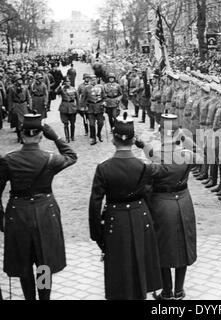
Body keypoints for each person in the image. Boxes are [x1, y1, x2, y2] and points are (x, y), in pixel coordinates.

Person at [0, 114, 77, 300]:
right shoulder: (50, 159)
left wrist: (1, 218)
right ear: (41, 136)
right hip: (45, 212)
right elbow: (72, 156)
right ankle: (44, 298)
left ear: (21, 134)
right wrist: (56, 137)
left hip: (17, 213)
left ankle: (29, 298)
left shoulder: (8, 160)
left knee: (23, 262)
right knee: (44, 262)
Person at [89, 113, 162, 300]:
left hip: (115, 220)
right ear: (132, 140)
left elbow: (95, 203)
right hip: (140, 217)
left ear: (113, 140)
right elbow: (160, 163)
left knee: (117, 268)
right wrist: (144, 145)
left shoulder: (104, 168)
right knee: (140, 264)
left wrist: (97, 235)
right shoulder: (144, 167)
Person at [136, 113, 201, 300]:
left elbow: (154, 160)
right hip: (184, 201)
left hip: (162, 204)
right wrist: (185, 140)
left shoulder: (157, 158)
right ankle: (179, 290)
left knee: (162, 247)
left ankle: (166, 291)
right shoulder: (187, 156)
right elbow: (200, 155)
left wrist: (142, 145)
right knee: (183, 245)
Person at [81, 74, 106, 145]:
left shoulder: (101, 87)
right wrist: (83, 107)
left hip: (99, 106)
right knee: (91, 124)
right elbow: (83, 98)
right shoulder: (86, 88)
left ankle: (99, 134)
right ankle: (93, 138)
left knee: (101, 123)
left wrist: (104, 103)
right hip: (90, 107)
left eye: (94, 79)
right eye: (92, 80)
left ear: (97, 80)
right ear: (89, 80)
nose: (93, 81)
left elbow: (104, 97)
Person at [7, 74, 32, 143]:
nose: (20, 81)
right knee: (18, 122)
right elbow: (9, 99)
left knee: (24, 122)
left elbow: (29, 97)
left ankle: (24, 135)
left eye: (20, 79)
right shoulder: (11, 89)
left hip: (23, 105)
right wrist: (10, 108)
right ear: (15, 81)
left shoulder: (25, 87)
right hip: (16, 105)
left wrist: (29, 105)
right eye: (18, 79)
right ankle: (19, 136)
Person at [56, 77, 79, 143]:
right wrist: (59, 85)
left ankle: (72, 136)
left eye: (68, 82)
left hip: (72, 107)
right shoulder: (61, 89)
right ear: (64, 83)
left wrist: (78, 108)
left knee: (72, 123)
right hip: (64, 107)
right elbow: (56, 92)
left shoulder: (73, 89)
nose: (67, 83)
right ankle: (67, 138)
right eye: (66, 82)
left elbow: (77, 99)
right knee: (65, 124)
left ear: (70, 82)